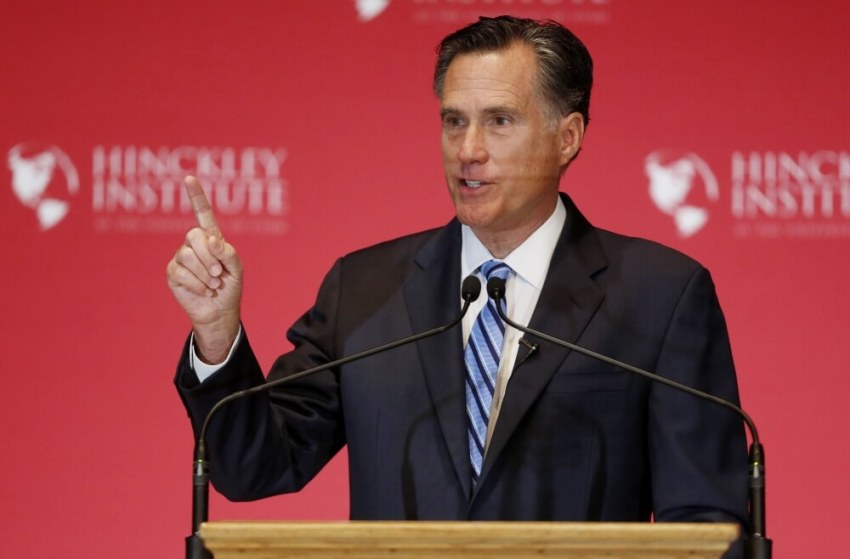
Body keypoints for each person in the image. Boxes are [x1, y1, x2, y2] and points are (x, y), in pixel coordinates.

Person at [167, 14, 747, 547]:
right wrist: (217, 335)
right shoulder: (365, 289)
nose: (468, 151)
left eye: (499, 122)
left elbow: (707, 526)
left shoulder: (660, 296)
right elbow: (255, 465)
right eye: (454, 122)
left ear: (567, 137)